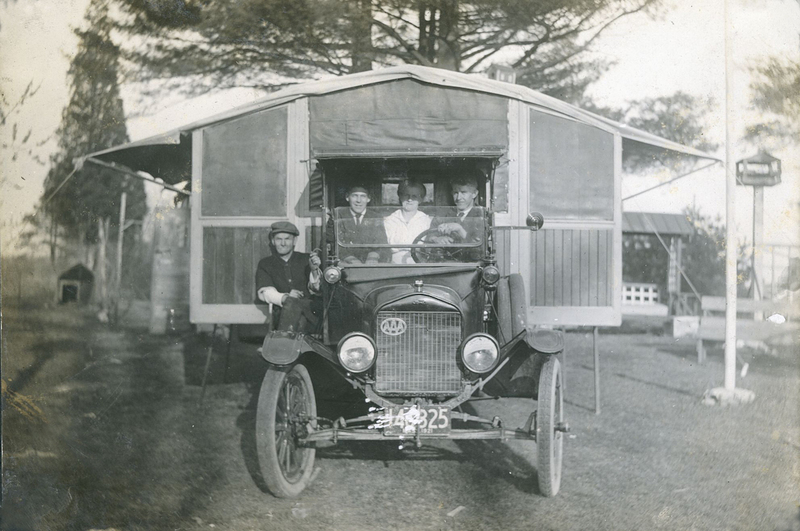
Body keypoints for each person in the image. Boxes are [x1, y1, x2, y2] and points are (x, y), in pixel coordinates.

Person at [256, 221, 322, 333]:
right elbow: (265, 292)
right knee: (296, 315)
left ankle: (282, 345)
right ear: (273, 241)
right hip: (284, 315)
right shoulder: (266, 264)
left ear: (294, 241)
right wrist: (286, 297)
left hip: (311, 314)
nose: (283, 243)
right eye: (278, 239)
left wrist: (314, 270)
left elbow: (317, 289)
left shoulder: (306, 259)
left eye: (287, 239)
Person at [332, 185, 390, 264]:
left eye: (363, 196)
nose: (358, 201)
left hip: (371, 266)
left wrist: (373, 256)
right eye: (354, 196)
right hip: (347, 265)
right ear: (347, 197)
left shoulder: (376, 217)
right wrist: (350, 259)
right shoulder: (338, 215)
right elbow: (333, 243)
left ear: (368, 199)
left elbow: (382, 243)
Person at [430, 176, 485, 260]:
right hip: (444, 266)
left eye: (463, 192)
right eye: (455, 192)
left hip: (471, 268)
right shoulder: (442, 215)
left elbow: (479, 252)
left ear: (474, 193)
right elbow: (428, 238)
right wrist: (436, 239)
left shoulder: (482, 216)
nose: (459, 198)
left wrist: (460, 229)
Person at [384, 180, 432, 264]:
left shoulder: (427, 220)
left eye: (414, 196)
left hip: (420, 264)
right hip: (394, 265)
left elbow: (427, 247)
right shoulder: (390, 220)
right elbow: (388, 248)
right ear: (400, 197)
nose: (410, 199)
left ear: (420, 199)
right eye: (406, 195)